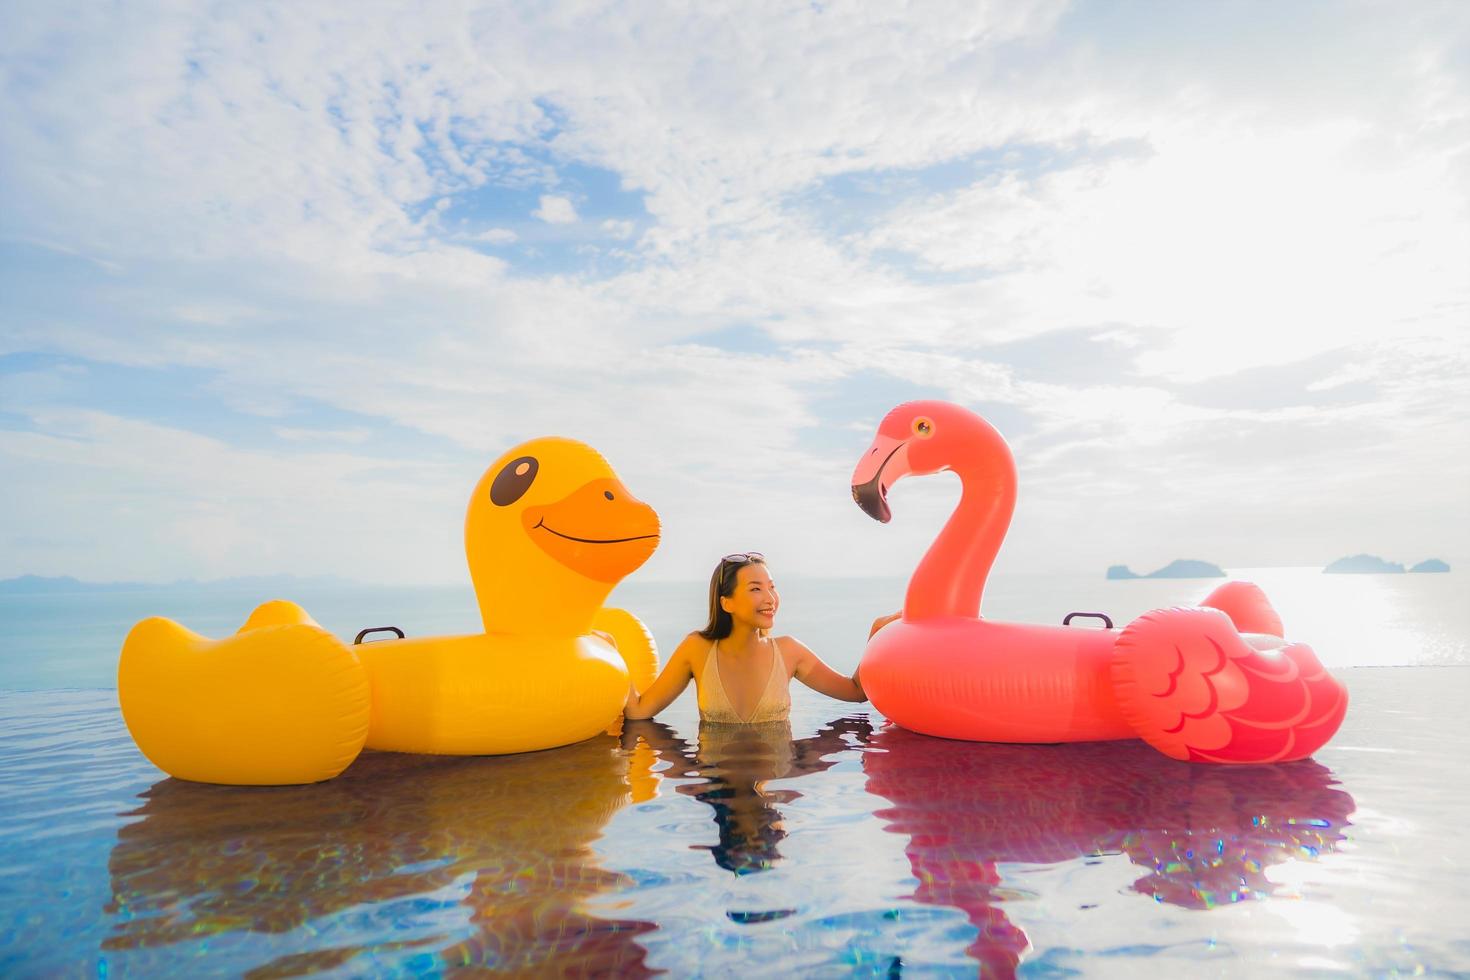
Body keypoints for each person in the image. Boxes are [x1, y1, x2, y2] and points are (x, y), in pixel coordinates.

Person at [623, 552, 873, 723]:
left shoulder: (790, 651)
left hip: (774, 787)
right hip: (716, 790)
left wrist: (876, 634)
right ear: (726, 602)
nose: (770, 598)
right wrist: (613, 651)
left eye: (771, 587)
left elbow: (856, 692)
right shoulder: (696, 649)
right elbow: (639, 711)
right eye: (755, 588)